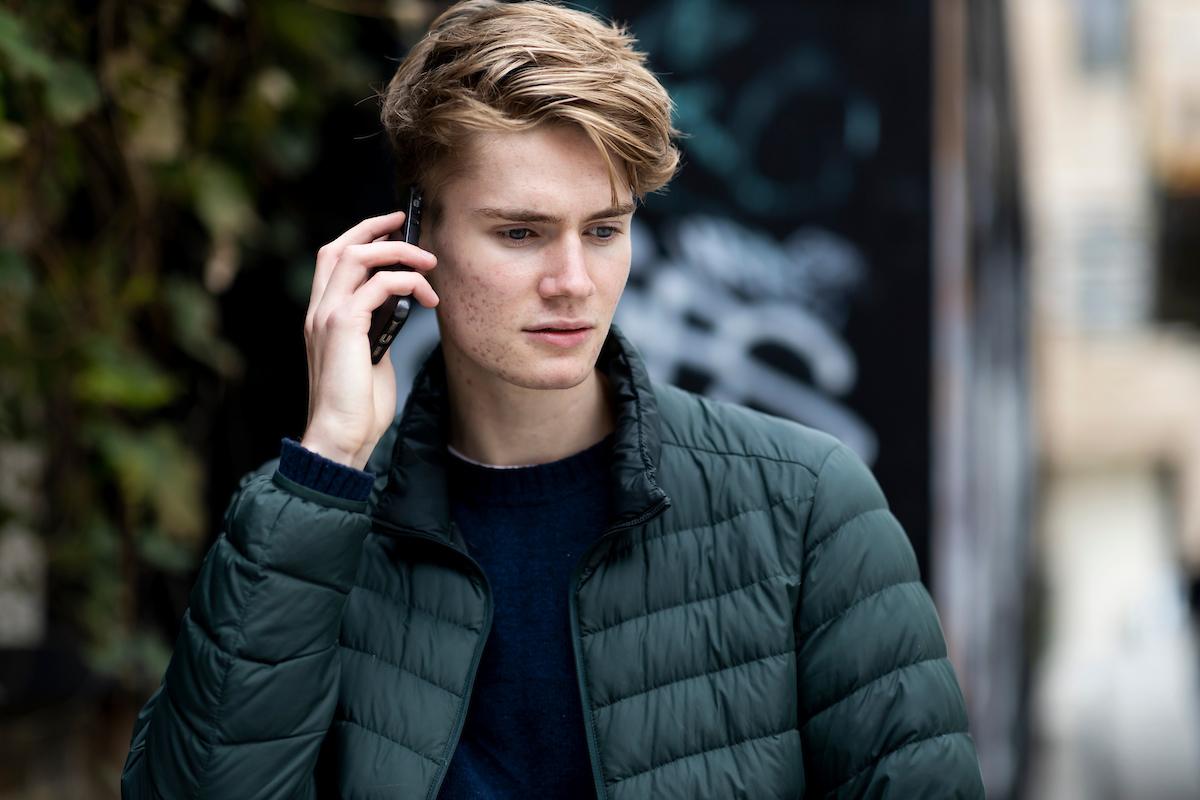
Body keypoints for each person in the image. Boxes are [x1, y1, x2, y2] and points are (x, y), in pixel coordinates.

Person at [121, 1, 985, 797]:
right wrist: (329, 462)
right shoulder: (310, 528)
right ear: (414, 238)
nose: (574, 282)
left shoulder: (807, 506)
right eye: (521, 232)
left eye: (604, 229)